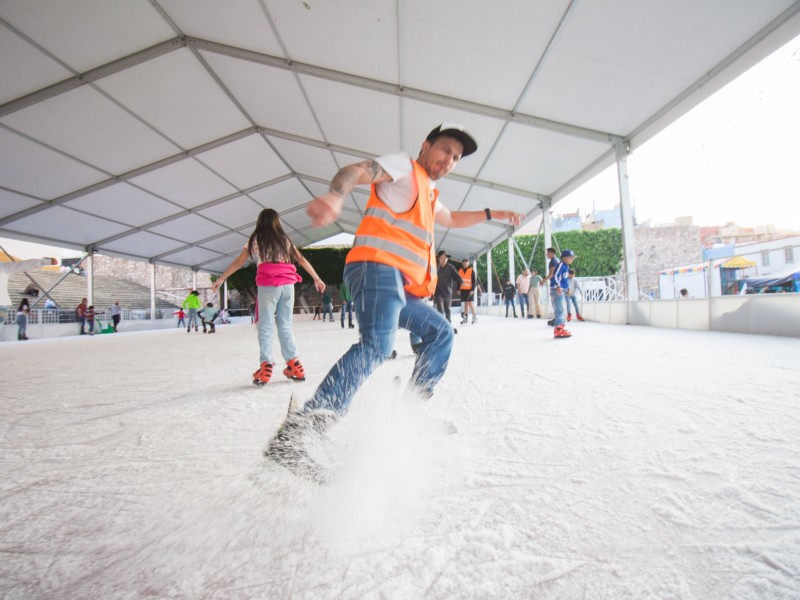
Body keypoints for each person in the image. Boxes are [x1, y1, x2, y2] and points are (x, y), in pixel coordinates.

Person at [266, 123, 522, 472]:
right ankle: (304, 429)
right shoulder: (405, 167)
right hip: (375, 268)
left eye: (457, 158)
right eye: (445, 150)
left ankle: (410, 411)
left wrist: (493, 214)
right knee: (377, 344)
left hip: (399, 285)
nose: (449, 160)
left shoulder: (430, 194)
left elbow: (454, 219)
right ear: (426, 145)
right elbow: (356, 170)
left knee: (441, 334)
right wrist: (336, 196)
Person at [210, 207, 325, 385]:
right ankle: (294, 364)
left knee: (265, 325)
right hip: (288, 285)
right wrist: (317, 278)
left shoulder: (256, 239)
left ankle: (266, 366)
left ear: (260, 222)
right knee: (285, 325)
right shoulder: (284, 239)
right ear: (277, 222)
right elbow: (301, 259)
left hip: (269, 285)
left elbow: (240, 261)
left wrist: (221, 279)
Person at [1, 257, 57, 340]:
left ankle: (21, 336)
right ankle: (21, 336)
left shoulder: (2, 266)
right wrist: (45, 261)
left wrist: (45, 261)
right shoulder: (2, 266)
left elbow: (23, 265)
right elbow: (22, 265)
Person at [433, 250, 462, 330]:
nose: (444, 259)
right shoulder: (436, 268)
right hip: (438, 293)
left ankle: (448, 326)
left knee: (448, 310)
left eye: (445, 258)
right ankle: (441, 327)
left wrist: (461, 283)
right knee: (440, 311)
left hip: (448, 293)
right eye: (442, 257)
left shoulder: (450, 267)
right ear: (439, 258)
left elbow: (457, 277)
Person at [551, 250, 575, 338]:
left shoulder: (566, 267)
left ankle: (560, 327)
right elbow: (556, 276)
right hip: (556, 289)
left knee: (561, 309)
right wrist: (558, 286)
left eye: (572, 258)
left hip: (561, 289)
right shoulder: (561, 265)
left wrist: (567, 288)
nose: (572, 259)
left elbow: (564, 280)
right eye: (570, 257)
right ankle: (558, 329)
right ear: (564, 258)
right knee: (559, 309)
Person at [458, 258, 478, 324]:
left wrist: (472, 290)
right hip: (463, 290)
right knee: (465, 304)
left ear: (468, 263)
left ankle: (474, 318)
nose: (465, 263)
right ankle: (465, 319)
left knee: (470, 303)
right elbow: (458, 281)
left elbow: (474, 281)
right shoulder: (460, 271)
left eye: (467, 262)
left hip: (469, 290)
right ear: (462, 263)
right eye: (464, 262)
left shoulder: (471, 270)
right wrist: (458, 289)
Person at [543, 248, 560, 325]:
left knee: (555, 302)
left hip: (554, 284)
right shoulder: (557, 260)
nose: (546, 254)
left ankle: (558, 319)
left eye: (547, 253)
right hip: (557, 284)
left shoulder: (553, 261)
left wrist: (544, 280)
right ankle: (557, 318)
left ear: (551, 253)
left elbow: (552, 274)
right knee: (556, 302)